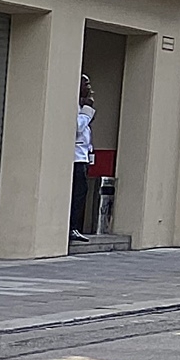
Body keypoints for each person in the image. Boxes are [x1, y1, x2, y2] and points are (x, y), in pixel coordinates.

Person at [71, 74, 97, 242]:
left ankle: (74, 227)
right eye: (86, 84)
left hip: (83, 158)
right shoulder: (76, 106)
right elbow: (77, 127)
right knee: (77, 194)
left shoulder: (83, 106)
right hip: (75, 159)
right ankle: (72, 227)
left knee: (81, 194)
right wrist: (87, 112)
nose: (90, 88)